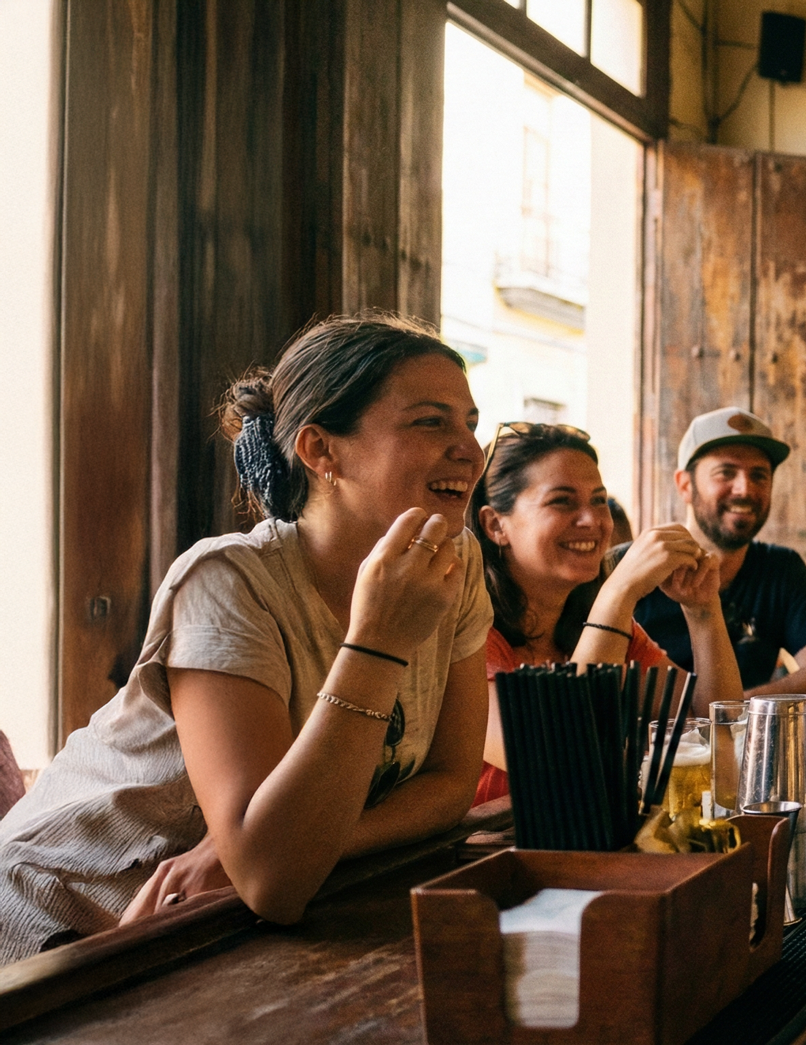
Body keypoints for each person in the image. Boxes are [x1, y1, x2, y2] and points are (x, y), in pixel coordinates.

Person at [0, 315, 494, 961]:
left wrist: (276, 844)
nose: (469, 448)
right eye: (431, 421)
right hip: (65, 913)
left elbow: (450, 781)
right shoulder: (229, 581)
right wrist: (378, 641)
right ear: (321, 450)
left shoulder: (453, 562)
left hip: (223, 917)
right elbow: (272, 880)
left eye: (470, 422)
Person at [467, 423, 743, 805]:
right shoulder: (469, 633)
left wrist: (702, 609)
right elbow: (555, 758)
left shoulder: (606, 627)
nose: (593, 520)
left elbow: (715, 727)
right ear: (495, 524)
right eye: (562, 501)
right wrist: (619, 591)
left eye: (599, 500)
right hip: (490, 859)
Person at [633, 408, 806, 696]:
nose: (744, 489)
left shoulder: (781, 568)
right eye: (726, 473)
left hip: (747, 737)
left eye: (759, 475)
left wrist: (738, 711)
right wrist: (720, 715)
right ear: (685, 485)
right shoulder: (632, 568)